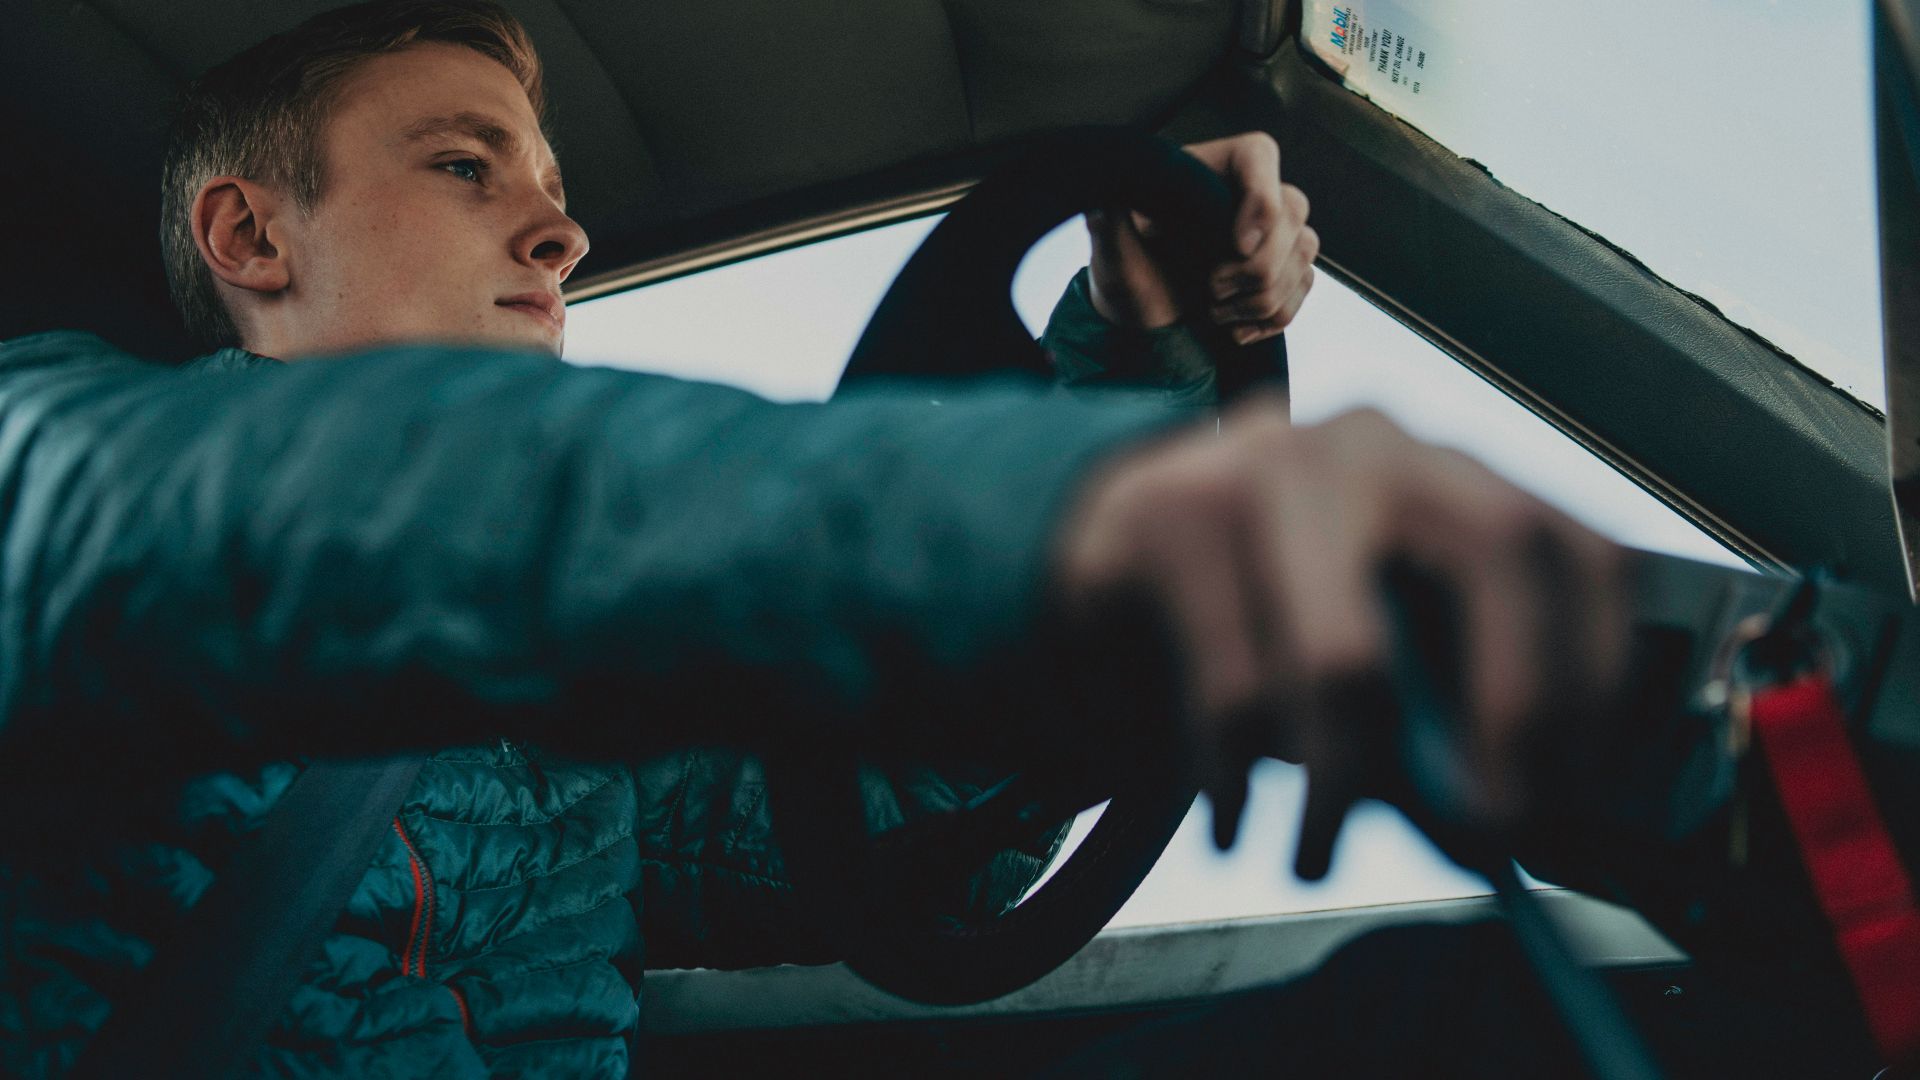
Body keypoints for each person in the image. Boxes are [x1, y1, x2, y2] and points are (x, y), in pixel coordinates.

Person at [0, 1, 1633, 1075]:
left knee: (1452, 1022)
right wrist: (1061, 516)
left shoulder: (583, 735)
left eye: (549, 182)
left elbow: (875, 802)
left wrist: (1129, 354)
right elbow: (276, 500)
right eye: (460, 164)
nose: (559, 229)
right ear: (246, 234)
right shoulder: (60, 481)